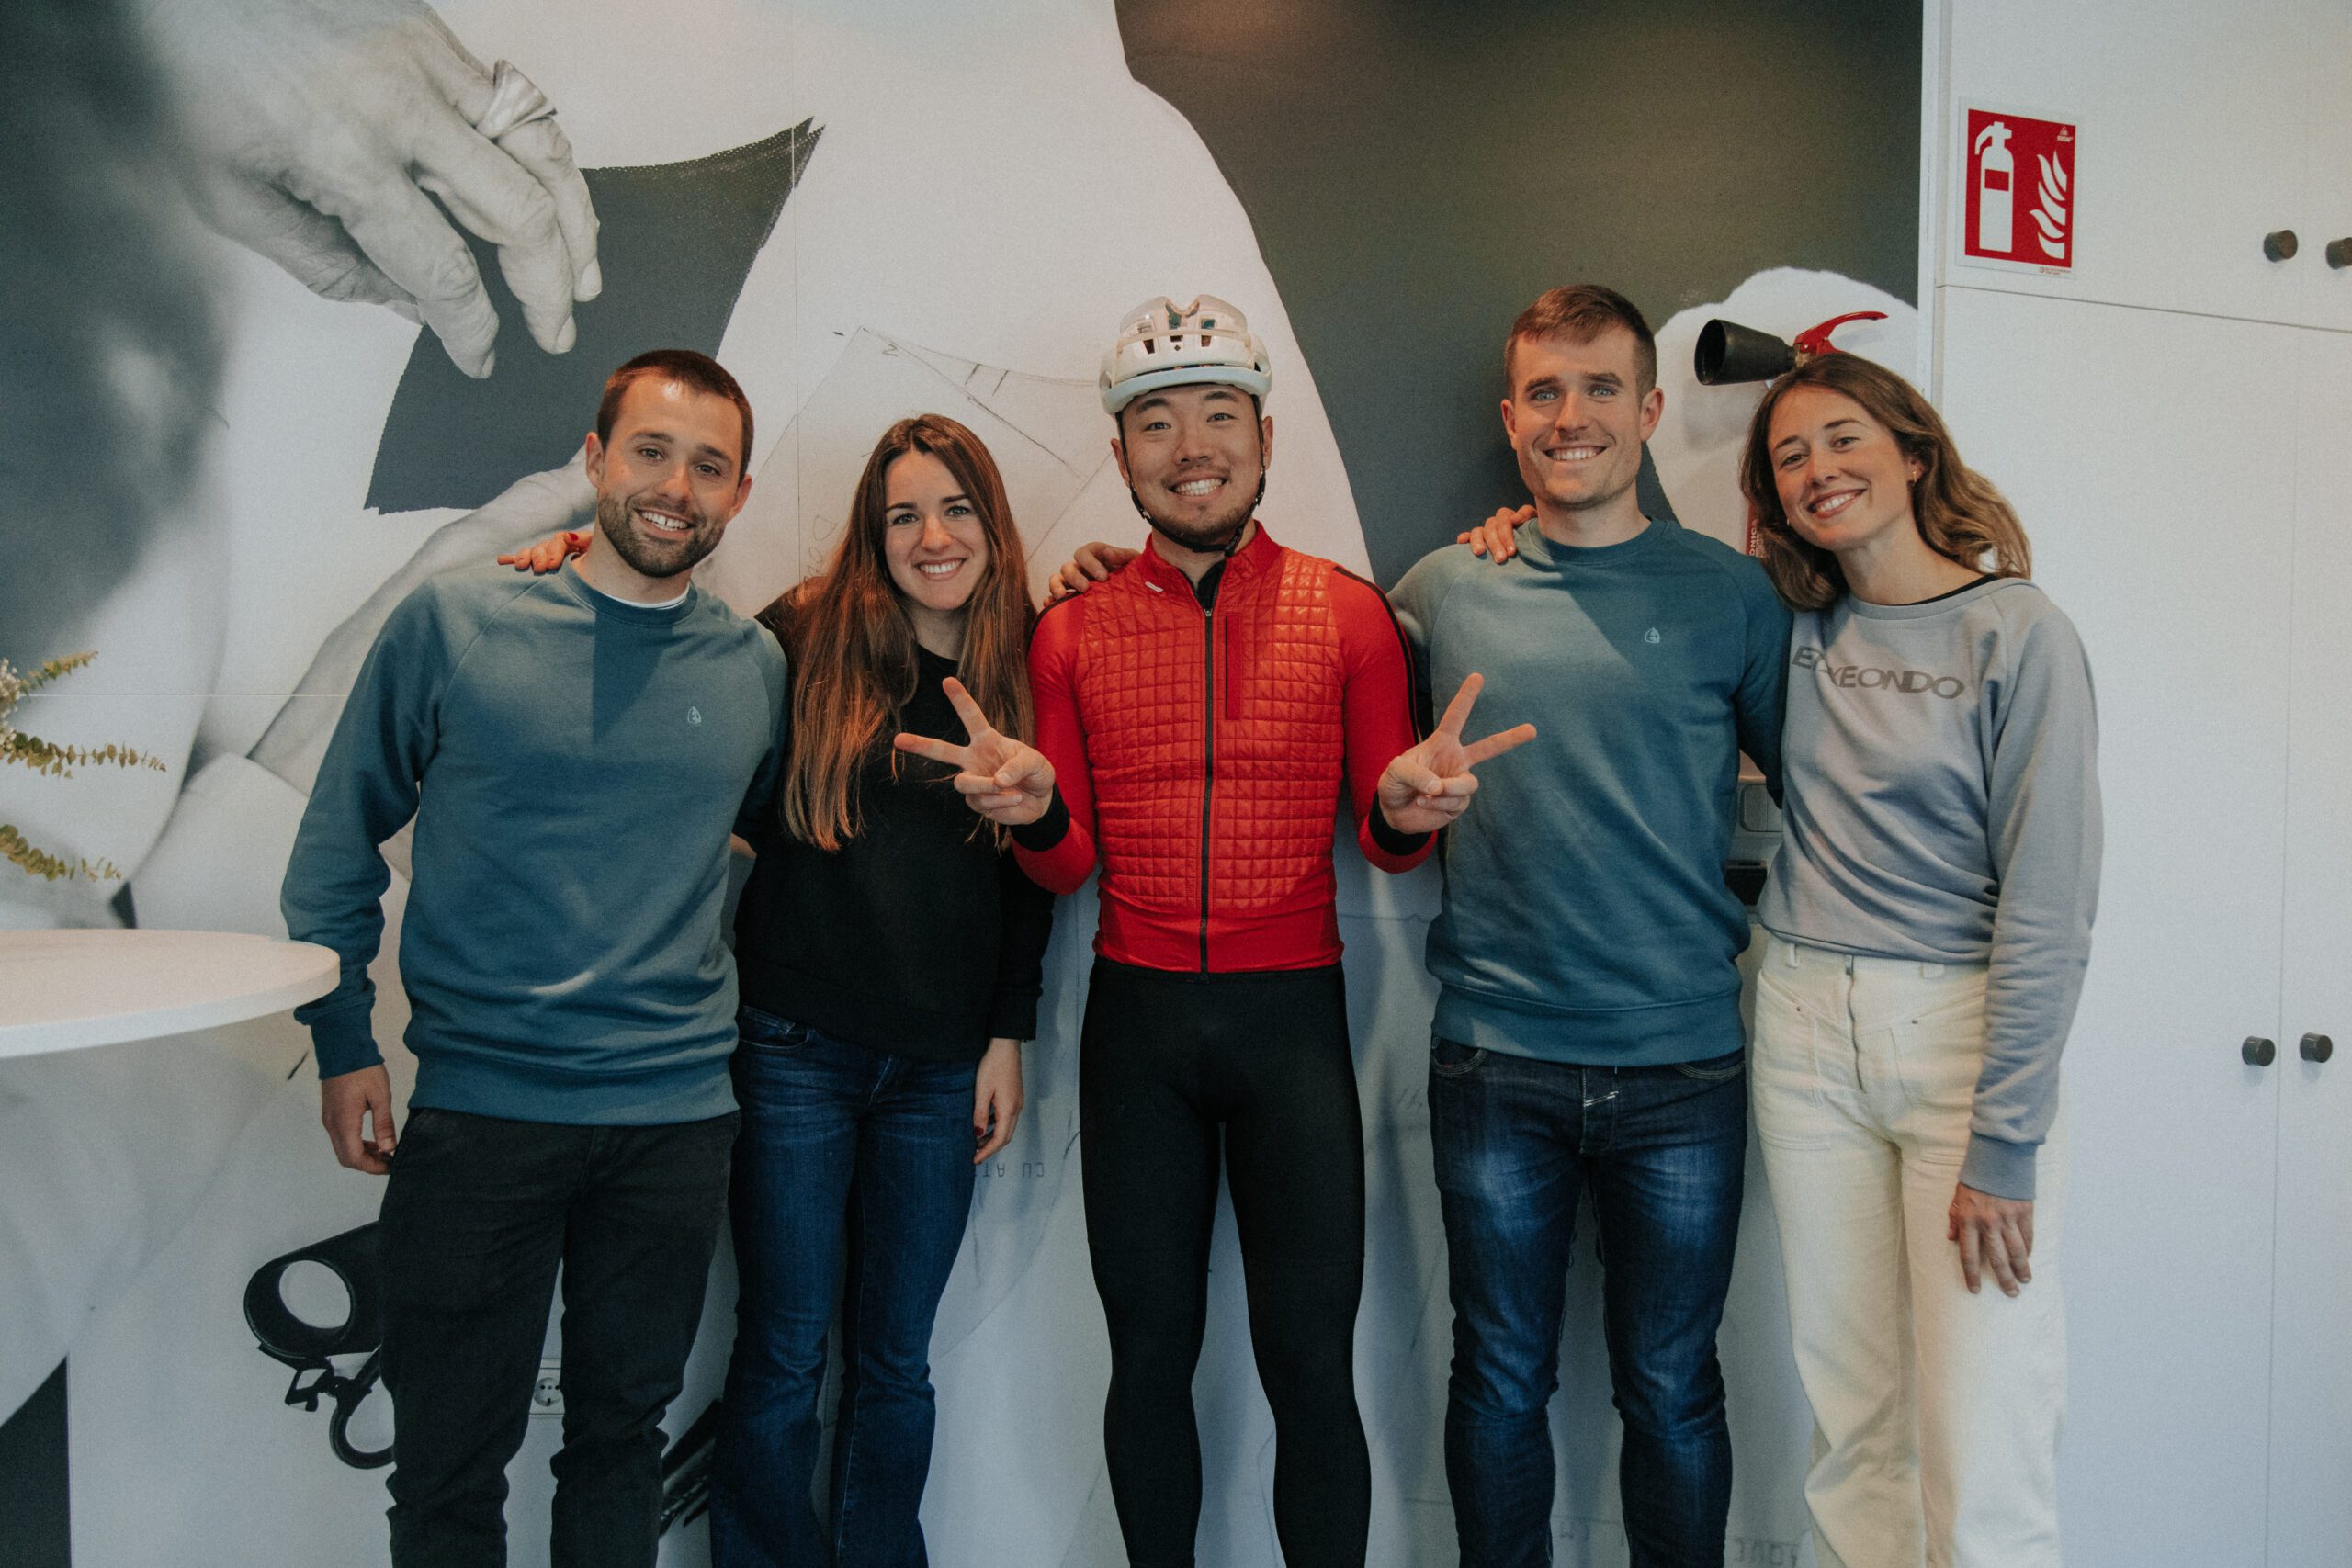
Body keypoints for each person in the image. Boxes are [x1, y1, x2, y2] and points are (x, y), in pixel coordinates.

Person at [967, 294, 1526, 1568]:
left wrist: (1406, 813)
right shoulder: (1068, 631)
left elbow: (1388, 837)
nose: (1191, 447)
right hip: (1138, 1032)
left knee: (1310, 1367)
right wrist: (1033, 814)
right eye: (1156, 423)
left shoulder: (1349, 613)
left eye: (1219, 415)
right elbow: (1067, 866)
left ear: (1266, 438)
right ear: (1121, 456)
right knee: (1147, 1358)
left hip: (1294, 1034)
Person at [280, 348, 784, 1568]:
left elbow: (760, 847)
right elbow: (335, 844)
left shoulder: (756, 667)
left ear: (740, 493)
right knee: (446, 1467)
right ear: (596, 460)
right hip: (482, 1118)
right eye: (651, 451)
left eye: (708, 465)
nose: (675, 487)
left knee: (621, 1446)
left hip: (673, 1126)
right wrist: (343, 1041)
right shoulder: (456, 621)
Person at [1736, 350, 2098, 1568]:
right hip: (1801, 1026)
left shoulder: (2018, 631)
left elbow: (2050, 902)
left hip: (1956, 1041)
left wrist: (2006, 1138)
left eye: (1843, 438)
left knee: (1984, 1438)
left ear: (1912, 451)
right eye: (1790, 456)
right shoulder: (1790, 624)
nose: (1819, 469)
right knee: (1856, 1425)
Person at [704, 415, 1056, 1567]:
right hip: (793, 1052)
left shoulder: (1028, 658)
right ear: (872, 532)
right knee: (783, 1352)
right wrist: (573, 556)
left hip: (940, 1069)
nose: (931, 536)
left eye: (955, 508)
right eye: (903, 514)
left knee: (896, 1363)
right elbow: (714, 773)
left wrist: (1006, 1033)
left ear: (991, 524)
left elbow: (1034, 878)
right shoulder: (803, 635)